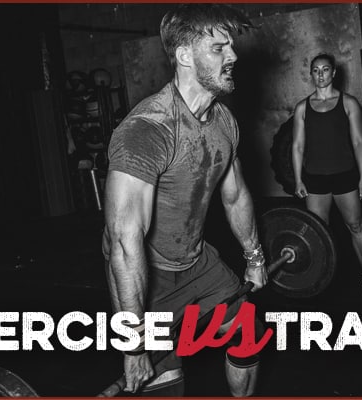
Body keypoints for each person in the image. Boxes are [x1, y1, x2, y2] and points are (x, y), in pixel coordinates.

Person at [102, 4, 267, 397]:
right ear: (184, 55)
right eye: (219, 48)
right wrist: (134, 342)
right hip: (147, 275)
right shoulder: (148, 130)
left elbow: (236, 194)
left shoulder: (223, 121)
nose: (234, 56)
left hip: (196, 261)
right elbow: (125, 246)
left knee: (246, 328)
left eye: (232, 47)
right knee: (166, 387)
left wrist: (255, 257)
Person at [291, 53, 362, 297]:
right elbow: (297, 146)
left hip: (345, 176)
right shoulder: (302, 108)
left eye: (325, 69)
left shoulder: (349, 103)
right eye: (316, 70)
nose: (320, 74)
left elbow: (360, 142)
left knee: (356, 225)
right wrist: (298, 179)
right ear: (311, 74)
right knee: (319, 231)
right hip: (315, 178)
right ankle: (321, 277)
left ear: (334, 73)